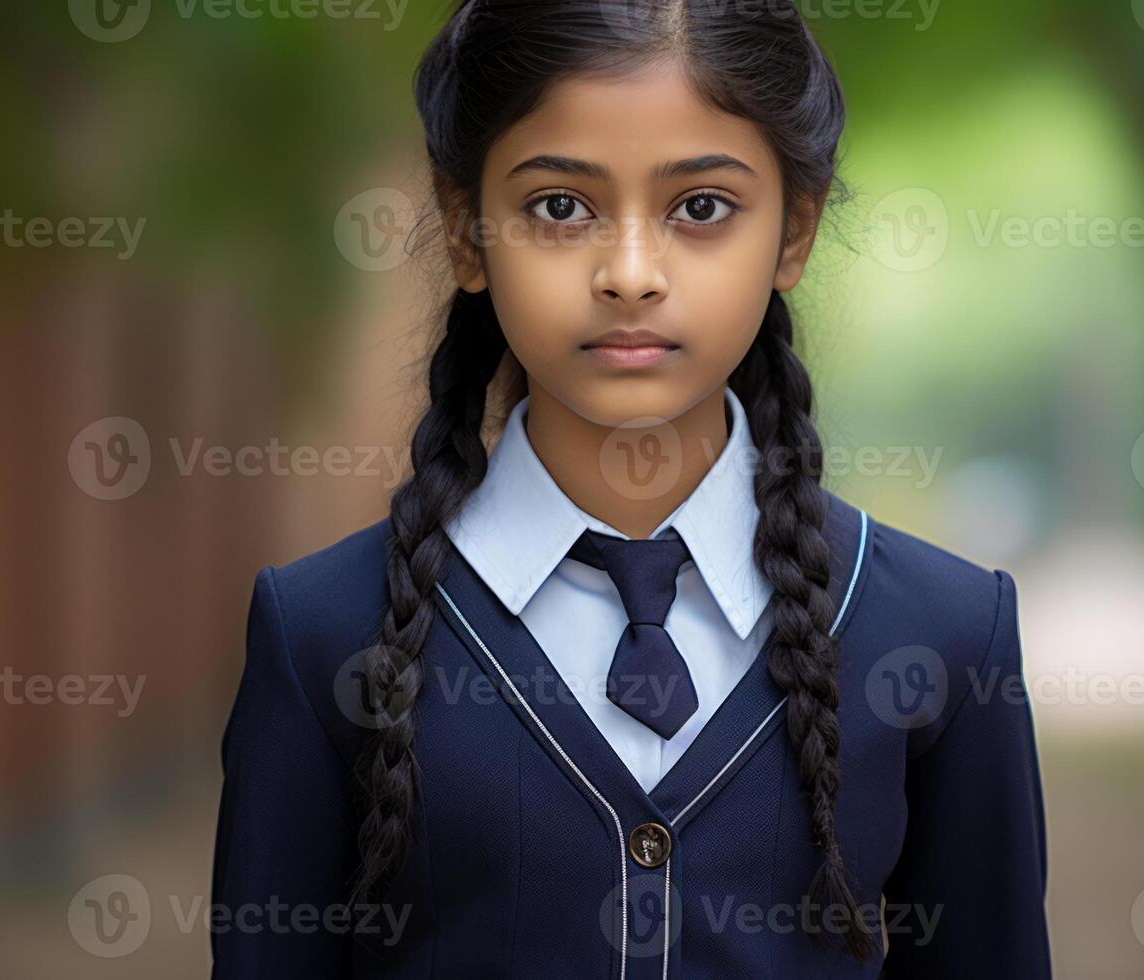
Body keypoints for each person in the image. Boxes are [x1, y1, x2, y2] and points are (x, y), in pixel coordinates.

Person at [212, 1, 1051, 975]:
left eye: (701, 207)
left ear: (795, 232)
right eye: (560, 206)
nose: (630, 273)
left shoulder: (945, 629)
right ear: (465, 231)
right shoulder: (319, 631)